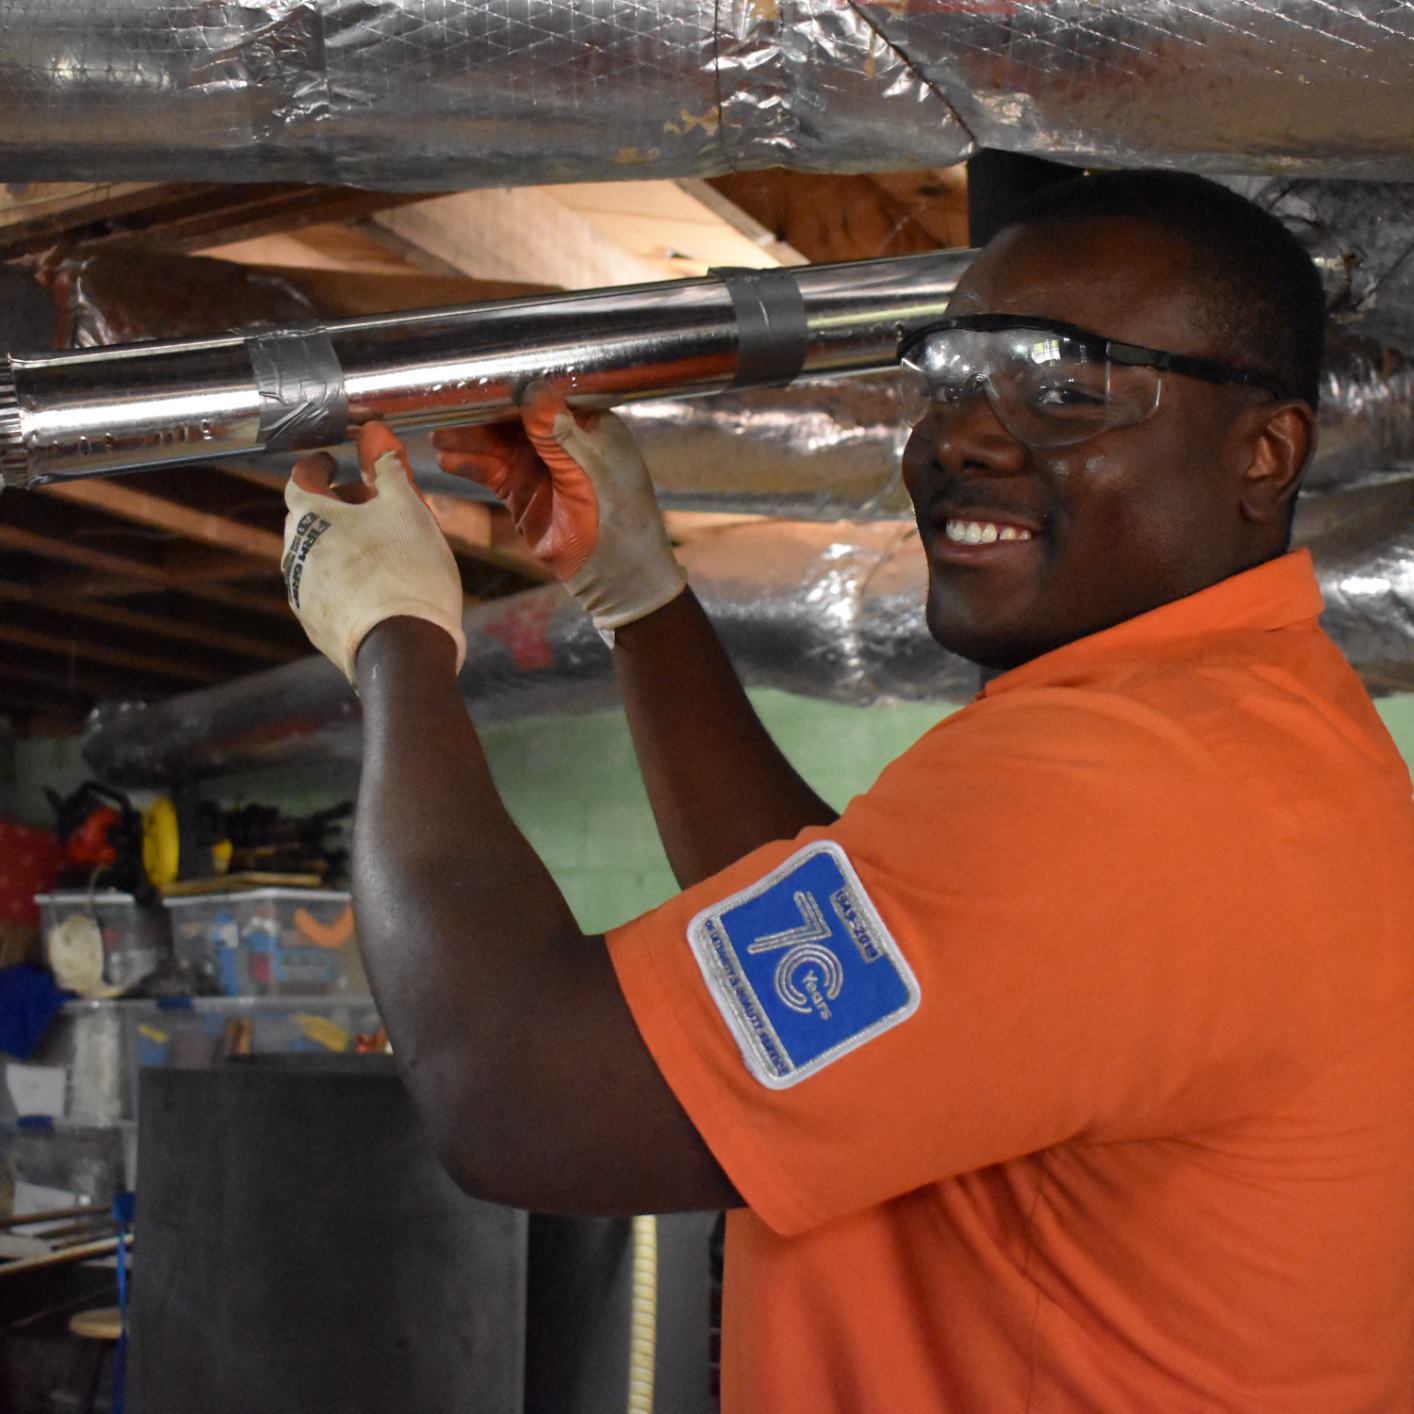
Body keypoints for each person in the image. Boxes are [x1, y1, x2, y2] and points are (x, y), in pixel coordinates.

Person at [280, 170, 1414, 1412]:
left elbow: (508, 1088)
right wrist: (638, 592)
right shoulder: (1247, 731)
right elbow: (846, 972)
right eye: (947, 378)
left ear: (1266, 452)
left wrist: (394, 642)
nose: (963, 434)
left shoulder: (1133, 792)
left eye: (1066, 387)